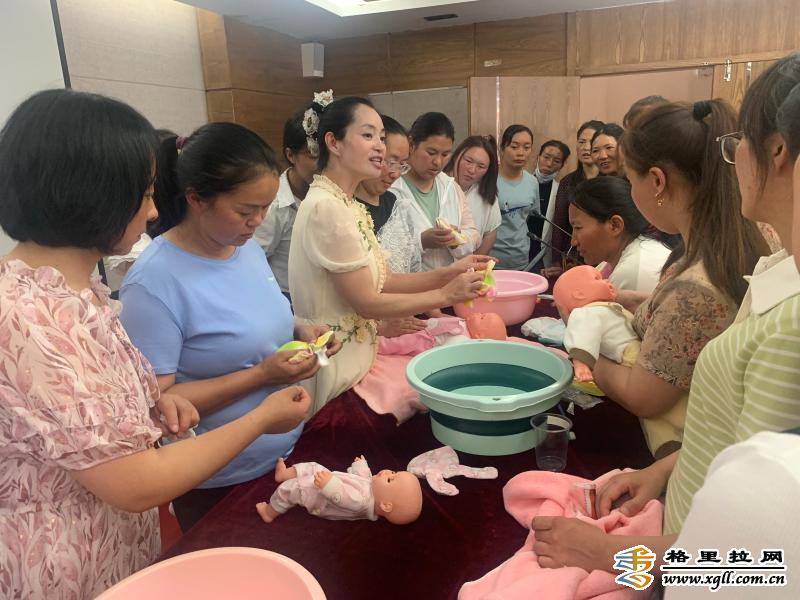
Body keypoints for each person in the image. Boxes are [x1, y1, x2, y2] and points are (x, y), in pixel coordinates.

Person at [0, 89, 311, 599]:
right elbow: (134, 482)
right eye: (143, 195)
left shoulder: (75, 292)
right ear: (90, 194)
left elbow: (81, 420)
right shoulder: (32, 317)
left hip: (114, 546)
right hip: (61, 565)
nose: (151, 212)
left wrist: (152, 406)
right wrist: (260, 418)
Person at [531, 53, 800, 575]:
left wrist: (607, 557)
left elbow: (753, 566)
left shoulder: (788, 331)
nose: (732, 159)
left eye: (739, 142)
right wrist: (662, 473)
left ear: (778, 151)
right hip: (683, 517)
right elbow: (735, 442)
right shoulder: (773, 268)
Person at [119, 122, 337, 532]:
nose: (258, 221)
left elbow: (249, 317)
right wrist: (262, 375)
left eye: (265, 207)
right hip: (218, 480)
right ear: (196, 199)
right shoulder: (153, 284)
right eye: (245, 210)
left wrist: (301, 328)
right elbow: (158, 406)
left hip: (283, 456)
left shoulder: (243, 247)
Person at [288, 96, 489, 410]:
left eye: (381, 137)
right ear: (333, 143)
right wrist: (445, 295)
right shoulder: (327, 208)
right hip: (338, 362)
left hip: (359, 357)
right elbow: (367, 302)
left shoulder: (344, 202)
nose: (380, 148)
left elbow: (384, 279)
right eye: (368, 135)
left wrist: (449, 273)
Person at [388, 112, 481, 270]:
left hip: (452, 281)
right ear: (412, 144)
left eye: (445, 154)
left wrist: (457, 239)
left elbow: (474, 235)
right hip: (413, 283)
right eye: (431, 153)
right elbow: (383, 252)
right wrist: (421, 241)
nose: (438, 162)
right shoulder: (392, 188)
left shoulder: (450, 187)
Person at [253, 107, 319, 296]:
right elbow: (253, 263)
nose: (322, 164)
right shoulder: (273, 204)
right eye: (313, 155)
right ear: (291, 155)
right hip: (287, 298)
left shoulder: (331, 193)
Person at [568, 176, 671, 294]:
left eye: (578, 227)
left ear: (615, 225)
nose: (573, 241)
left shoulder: (631, 271)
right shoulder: (611, 262)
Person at [548, 120, 605, 276]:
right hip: (573, 255)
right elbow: (559, 225)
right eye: (581, 142)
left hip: (604, 256)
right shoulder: (567, 182)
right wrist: (556, 260)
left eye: (591, 142)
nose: (586, 147)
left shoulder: (610, 181)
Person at [444, 135, 501, 256]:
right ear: (457, 155)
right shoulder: (438, 183)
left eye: (481, 166)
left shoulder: (486, 195)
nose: (472, 170)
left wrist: (472, 263)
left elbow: (489, 234)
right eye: (468, 161)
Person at [493, 124, 538, 270]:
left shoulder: (532, 182)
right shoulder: (488, 179)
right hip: (489, 259)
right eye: (514, 147)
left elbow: (529, 217)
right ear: (502, 149)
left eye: (526, 147)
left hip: (520, 259)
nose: (521, 153)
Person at [527, 139, 571, 268]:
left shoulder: (560, 192)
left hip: (543, 254)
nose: (549, 164)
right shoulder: (524, 183)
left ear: (562, 165)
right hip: (519, 248)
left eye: (556, 161)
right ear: (538, 157)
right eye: (546, 157)